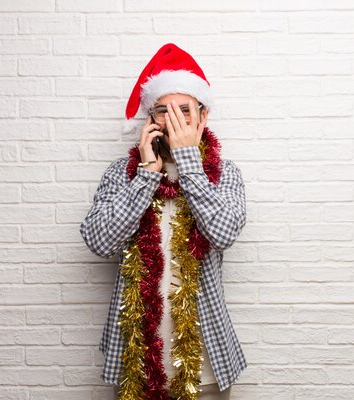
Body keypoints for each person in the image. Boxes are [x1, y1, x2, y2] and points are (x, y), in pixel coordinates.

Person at [79, 43, 247, 400]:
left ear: (203, 117)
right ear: (149, 120)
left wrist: (188, 162)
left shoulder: (223, 174)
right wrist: (146, 177)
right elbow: (98, 242)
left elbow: (224, 232)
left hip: (205, 362)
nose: (173, 121)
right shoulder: (122, 175)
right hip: (135, 363)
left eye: (184, 111)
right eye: (162, 112)